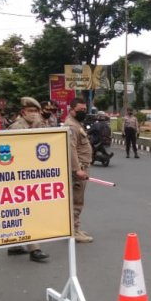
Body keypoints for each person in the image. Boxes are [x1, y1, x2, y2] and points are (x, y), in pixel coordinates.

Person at [6, 97, 49, 262]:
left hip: (30, 174)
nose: (34, 114)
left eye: (36, 111)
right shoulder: (16, 128)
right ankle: (34, 249)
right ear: (23, 112)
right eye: (31, 111)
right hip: (17, 175)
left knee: (20, 211)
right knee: (28, 212)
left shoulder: (36, 126)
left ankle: (14, 245)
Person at [64, 98, 93, 243]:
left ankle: (74, 229)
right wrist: (77, 170)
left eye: (84, 109)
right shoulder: (71, 126)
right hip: (79, 169)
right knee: (77, 201)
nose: (83, 112)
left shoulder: (76, 124)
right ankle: (74, 232)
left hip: (82, 167)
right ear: (72, 110)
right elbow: (71, 149)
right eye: (80, 110)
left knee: (77, 200)